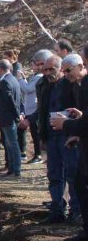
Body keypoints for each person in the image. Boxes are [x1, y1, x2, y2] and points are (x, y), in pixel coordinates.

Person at [38, 55, 80, 224]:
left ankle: (76, 211)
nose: (48, 73)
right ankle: (57, 209)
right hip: (52, 136)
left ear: (60, 69)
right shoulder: (45, 87)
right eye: (45, 70)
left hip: (67, 135)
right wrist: (42, 136)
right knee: (54, 174)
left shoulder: (71, 86)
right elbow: (42, 111)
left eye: (51, 69)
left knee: (72, 174)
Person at [50, 54, 88, 241]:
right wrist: (77, 131)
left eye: (68, 70)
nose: (65, 75)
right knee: (80, 183)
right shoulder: (79, 86)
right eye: (63, 71)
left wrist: (66, 125)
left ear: (82, 65)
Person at [18, 49, 52, 164]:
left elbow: (28, 89)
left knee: (36, 134)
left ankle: (39, 155)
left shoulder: (39, 78)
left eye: (38, 64)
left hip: (34, 110)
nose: (35, 66)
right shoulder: (37, 77)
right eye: (35, 64)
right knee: (34, 134)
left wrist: (21, 80)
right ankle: (38, 154)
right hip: (32, 109)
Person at [0, 59, 22, 177]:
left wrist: (16, 116)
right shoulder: (13, 79)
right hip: (9, 117)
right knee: (11, 143)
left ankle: (15, 170)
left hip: (7, 118)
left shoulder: (5, 82)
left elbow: (9, 101)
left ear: (0, 69)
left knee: (12, 144)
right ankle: (12, 168)